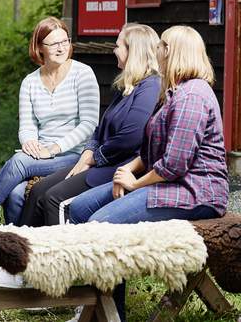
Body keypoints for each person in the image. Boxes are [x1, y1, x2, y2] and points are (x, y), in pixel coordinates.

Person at [67, 26, 229, 322]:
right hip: (170, 183)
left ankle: (109, 314)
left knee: (100, 224)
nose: (157, 50)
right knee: (79, 209)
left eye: (163, 45)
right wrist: (126, 169)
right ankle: (95, 304)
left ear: (176, 52)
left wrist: (134, 184)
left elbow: (174, 165)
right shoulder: (173, 92)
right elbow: (151, 151)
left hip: (196, 191)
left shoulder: (193, 96)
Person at [0, 17, 99, 233]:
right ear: (39, 48)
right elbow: (27, 125)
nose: (62, 48)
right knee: (15, 194)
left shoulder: (83, 74)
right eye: (54, 44)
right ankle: (16, 249)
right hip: (38, 154)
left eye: (65, 41)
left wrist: (54, 148)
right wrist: (30, 143)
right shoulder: (30, 82)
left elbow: (90, 123)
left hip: (74, 154)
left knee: (18, 163)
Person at [18, 23, 161, 227]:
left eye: (118, 46)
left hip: (118, 165)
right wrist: (88, 152)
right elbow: (99, 128)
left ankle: (60, 256)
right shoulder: (128, 85)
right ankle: (20, 251)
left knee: (53, 198)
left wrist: (95, 157)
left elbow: (131, 136)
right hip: (101, 161)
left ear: (133, 52)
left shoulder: (150, 87)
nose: (114, 50)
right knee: (38, 190)